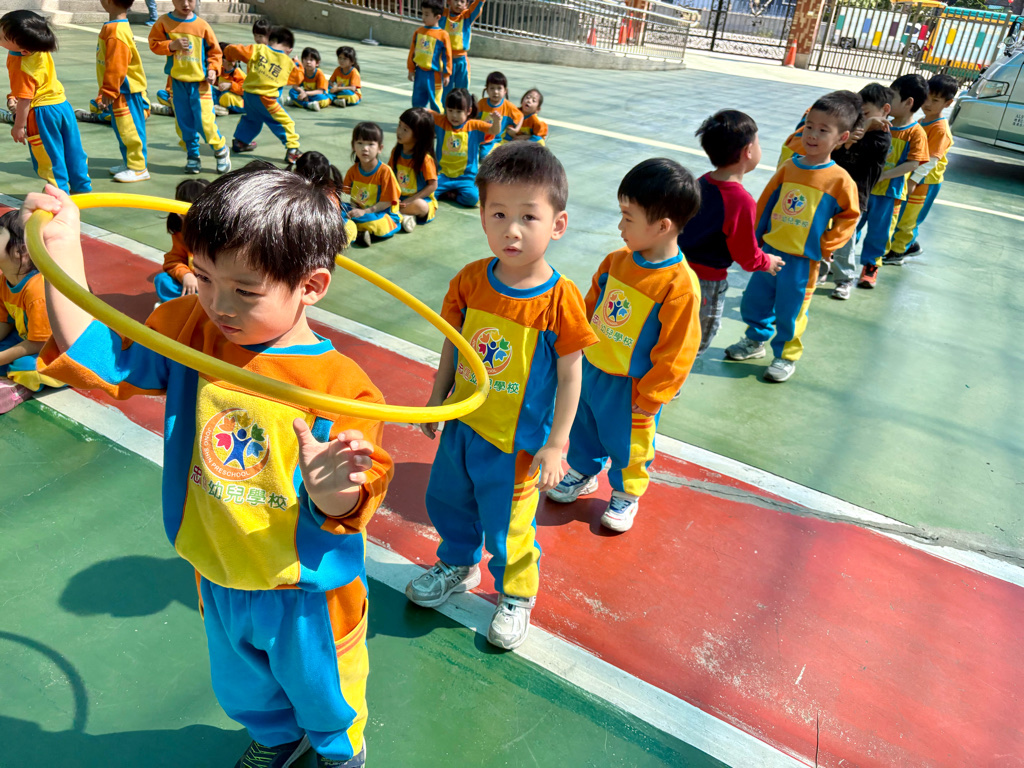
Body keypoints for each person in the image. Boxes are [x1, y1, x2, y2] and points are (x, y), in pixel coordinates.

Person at [28, 166, 393, 768]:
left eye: (245, 291)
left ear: (311, 285)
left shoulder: (340, 388)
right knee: (243, 686)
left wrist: (332, 492)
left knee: (326, 690)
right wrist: (62, 250)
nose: (219, 304)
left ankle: (338, 751)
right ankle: (277, 737)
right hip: (218, 567)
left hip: (301, 591)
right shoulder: (192, 329)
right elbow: (102, 357)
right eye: (202, 277)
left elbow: (353, 501)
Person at [406, 142, 598, 650]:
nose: (512, 229)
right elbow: (453, 345)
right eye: (499, 214)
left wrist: (556, 445)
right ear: (483, 218)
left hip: (516, 446)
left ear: (557, 224)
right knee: (448, 500)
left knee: (509, 525)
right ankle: (457, 564)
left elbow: (571, 377)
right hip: (464, 426)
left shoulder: (560, 299)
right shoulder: (470, 281)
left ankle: (515, 594)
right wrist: (438, 399)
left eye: (528, 216)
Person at [546, 158, 701, 531]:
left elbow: (678, 350)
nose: (620, 227)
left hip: (631, 387)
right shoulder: (615, 262)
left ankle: (626, 493)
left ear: (662, 226)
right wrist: (570, 348)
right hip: (591, 369)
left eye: (628, 218)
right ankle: (583, 470)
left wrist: (652, 396)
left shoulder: (679, 286)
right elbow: (588, 309)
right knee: (584, 426)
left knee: (629, 444)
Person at [724, 91, 860, 382]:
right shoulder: (789, 168)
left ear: (842, 137)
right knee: (755, 301)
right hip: (770, 253)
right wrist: (754, 239)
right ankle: (754, 341)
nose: (812, 135)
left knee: (792, 310)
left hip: (803, 261)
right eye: (809, 126)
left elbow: (850, 216)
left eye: (823, 130)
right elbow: (765, 204)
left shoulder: (840, 180)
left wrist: (826, 244)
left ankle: (786, 356)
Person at [678, 110, 783, 356]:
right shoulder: (740, 201)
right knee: (697, 338)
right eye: (758, 143)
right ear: (748, 151)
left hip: (678, 269)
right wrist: (767, 261)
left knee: (674, 330)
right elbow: (746, 255)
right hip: (707, 283)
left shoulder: (702, 181)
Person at [1, 10, 92, 195]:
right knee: (73, 149)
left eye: (2, 37)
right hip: (62, 106)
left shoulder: (21, 63)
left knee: (49, 156)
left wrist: (19, 126)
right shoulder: (40, 47)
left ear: (24, 51)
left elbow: (25, 99)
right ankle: (82, 187)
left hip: (42, 113)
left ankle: (59, 194)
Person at [857, 73, 928, 289]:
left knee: (880, 233)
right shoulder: (878, 124)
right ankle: (836, 257)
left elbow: (914, 163)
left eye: (893, 96)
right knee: (850, 224)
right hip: (863, 188)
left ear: (908, 102)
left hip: (889, 195)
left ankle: (871, 266)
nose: (886, 101)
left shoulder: (916, 133)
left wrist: (885, 175)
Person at [824, 83, 893, 300]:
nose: (861, 119)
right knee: (821, 231)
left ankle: (844, 279)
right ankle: (819, 269)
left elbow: (860, 149)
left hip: (855, 197)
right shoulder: (852, 132)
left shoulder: (882, 137)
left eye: (866, 114)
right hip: (831, 191)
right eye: (858, 115)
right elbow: (834, 154)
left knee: (845, 238)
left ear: (885, 110)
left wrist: (862, 129)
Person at [148, 0, 230, 175]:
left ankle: (220, 149)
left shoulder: (202, 26)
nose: (185, 4)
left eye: (190, 0)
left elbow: (215, 52)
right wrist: (171, 46)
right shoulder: (164, 22)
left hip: (201, 85)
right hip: (177, 84)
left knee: (205, 122)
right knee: (183, 123)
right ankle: (193, 155)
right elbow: (154, 44)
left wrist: (213, 70)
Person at [884, 73, 957, 265]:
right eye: (927, 98)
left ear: (948, 103)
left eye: (936, 100)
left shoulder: (939, 129)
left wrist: (913, 180)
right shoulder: (922, 121)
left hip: (924, 182)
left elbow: (931, 160)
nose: (928, 103)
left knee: (909, 218)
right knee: (903, 214)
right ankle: (909, 245)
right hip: (914, 178)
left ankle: (898, 252)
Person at [0, 209, 64, 414]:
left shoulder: (38, 289)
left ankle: (20, 387)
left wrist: (2, 357)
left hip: (58, 347)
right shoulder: (5, 280)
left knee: (26, 366)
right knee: (8, 356)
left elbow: (40, 342)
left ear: (21, 251)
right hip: (27, 337)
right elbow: (5, 322)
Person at [224, 27, 304, 165]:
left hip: (249, 95)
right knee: (284, 122)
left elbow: (233, 49)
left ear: (270, 40)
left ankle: (240, 142)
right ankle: (293, 150)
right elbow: (298, 78)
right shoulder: (288, 62)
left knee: (252, 119)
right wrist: (297, 63)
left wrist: (229, 56)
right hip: (266, 99)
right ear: (289, 49)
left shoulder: (258, 49)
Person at [96, 0, 151, 183]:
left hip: (125, 92)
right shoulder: (115, 27)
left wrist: (109, 90)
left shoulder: (116, 31)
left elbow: (117, 65)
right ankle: (130, 162)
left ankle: (138, 168)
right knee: (122, 129)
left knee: (130, 130)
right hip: (120, 90)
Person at [428, 88, 502, 207]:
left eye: (459, 111)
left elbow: (494, 131)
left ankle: (453, 195)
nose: (454, 115)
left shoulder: (474, 126)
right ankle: (447, 192)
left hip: (466, 177)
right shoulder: (441, 122)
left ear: (468, 111)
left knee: (473, 198)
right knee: (428, 193)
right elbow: (426, 113)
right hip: (443, 174)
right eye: (450, 110)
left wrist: (497, 122)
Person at [343, 121, 402, 247]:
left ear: (380, 148)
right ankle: (359, 232)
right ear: (353, 146)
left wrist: (365, 212)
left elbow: (387, 201)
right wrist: (353, 210)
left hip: (379, 213)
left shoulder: (385, 171)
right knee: (337, 209)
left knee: (374, 223)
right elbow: (349, 196)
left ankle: (354, 231)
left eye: (370, 144)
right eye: (360, 143)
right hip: (359, 211)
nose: (365, 148)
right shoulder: (352, 171)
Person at [153, 178, 209, 303]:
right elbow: (174, 260)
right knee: (162, 281)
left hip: (215, 285)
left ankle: (195, 303)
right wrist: (186, 275)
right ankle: (187, 302)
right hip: (194, 283)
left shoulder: (220, 235)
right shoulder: (180, 233)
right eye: (184, 215)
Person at [293, 150, 358, 245]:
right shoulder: (329, 190)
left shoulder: (290, 186)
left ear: (296, 171)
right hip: (317, 235)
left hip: (300, 234)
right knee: (350, 227)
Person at [390, 107, 439, 231]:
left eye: (405, 129)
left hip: (418, 199)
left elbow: (433, 185)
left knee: (421, 206)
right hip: (399, 199)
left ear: (418, 136)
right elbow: (389, 175)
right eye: (399, 125)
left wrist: (411, 199)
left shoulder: (425, 159)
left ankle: (395, 215)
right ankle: (404, 216)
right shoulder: (396, 152)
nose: (399, 131)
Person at [407, 0, 452, 113]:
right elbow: (412, 52)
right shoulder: (419, 32)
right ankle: (418, 121)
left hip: (434, 75)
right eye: (422, 13)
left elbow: (447, 56)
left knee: (435, 102)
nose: (423, 17)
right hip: (419, 73)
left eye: (427, 15)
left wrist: (447, 74)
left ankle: (438, 122)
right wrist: (411, 69)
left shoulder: (443, 35)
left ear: (438, 17)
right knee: (417, 101)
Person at [440, 0, 486, 102]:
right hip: (445, 61)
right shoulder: (442, 14)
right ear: (449, 1)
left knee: (462, 92)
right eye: (456, 0)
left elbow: (477, 5)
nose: (458, 3)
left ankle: (463, 110)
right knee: (444, 92)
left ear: (466, 5)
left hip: (462, 61)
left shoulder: (467, 16)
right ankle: (444, 111)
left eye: (462, 1)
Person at [476, 71, 522, 160]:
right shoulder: (482, 103)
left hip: (496, 140)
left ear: (505, 91)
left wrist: (516, 129)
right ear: (487, 90)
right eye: (492, 88)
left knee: (485, 157)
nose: (495, 92)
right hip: (482, 138)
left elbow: (520, 116)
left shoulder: (508, 106)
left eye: (499, 88)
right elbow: (473, 118)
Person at [288, 47, 331, 112]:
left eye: (311, 60)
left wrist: (306, 93)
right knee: (292, 91)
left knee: (323, 99)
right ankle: (308, 104)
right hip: (306, 95)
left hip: (316, 95)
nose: (308, 62)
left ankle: (297, 102)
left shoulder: (319, 73)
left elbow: (320, 91)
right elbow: (295, 86)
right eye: (305, 59)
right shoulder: (302, 72)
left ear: (317, 63)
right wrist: (302, 92)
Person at [212, 47, 245, 116]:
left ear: (232, 63)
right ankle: (218, 106)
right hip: (221, 94)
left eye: (223, 59)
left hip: (238, 100)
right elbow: (217, 82)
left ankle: (222, 108)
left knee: (226, 96)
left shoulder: (238, 72)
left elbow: (245, 89)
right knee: (209, 90)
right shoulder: (222, 70)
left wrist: (231, 85)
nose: (221, 61)